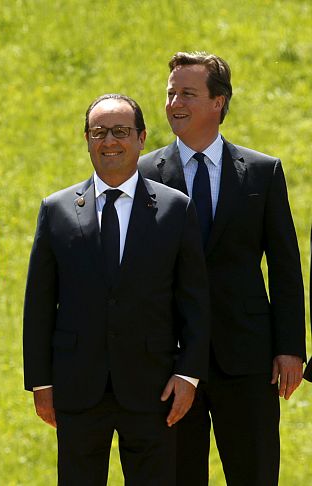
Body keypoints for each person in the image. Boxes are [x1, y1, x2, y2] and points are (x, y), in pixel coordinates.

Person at [23, 94, 210, 486]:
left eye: (121, 131)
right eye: (99, 132)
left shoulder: (176, 208)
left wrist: (188, 375)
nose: (110, 141)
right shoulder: (56, 209)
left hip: (154, 388)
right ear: (88, 140)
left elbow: (193, 300)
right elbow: (39, 303)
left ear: (141, 138)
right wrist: (41, 381)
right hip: (77, 387)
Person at [139, 52, 305, 485]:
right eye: (171, 93)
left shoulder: (263, 172)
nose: (175, 102)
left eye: (188, 94)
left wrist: (291, 347)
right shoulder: (142, 175)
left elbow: (285, 265)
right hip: (169, 364)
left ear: (219, 102)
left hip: (248, 361)